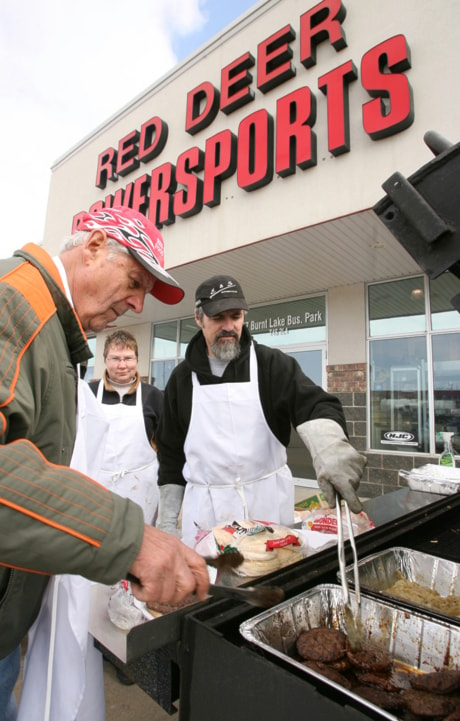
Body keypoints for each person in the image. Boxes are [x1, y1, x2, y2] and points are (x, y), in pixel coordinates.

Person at [0, 206, 209, 721]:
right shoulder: (12, 305)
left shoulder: (58, 337)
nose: (137, 303)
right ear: (93, 247)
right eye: (135, 280)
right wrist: (126, 539)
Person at [156, 274, 367, 547]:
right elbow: (171, 454)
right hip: (207, 519)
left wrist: (330, 446)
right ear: (199, 319)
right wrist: (167, 521)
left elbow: (315, 404)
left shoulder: (271, 365)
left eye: (235, 316)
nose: (229, 326)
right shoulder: (182, 380)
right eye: (218, 318)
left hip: (267, 510)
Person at [89, 329, 163, 526]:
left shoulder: (153, 396)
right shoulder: (88, 394)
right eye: (115, 358)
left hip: (141, 488)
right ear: (105, 359)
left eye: (128, 358)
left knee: (140, 544)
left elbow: (165, 445)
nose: (122, 365)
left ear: (137, 359)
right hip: (96, 485)